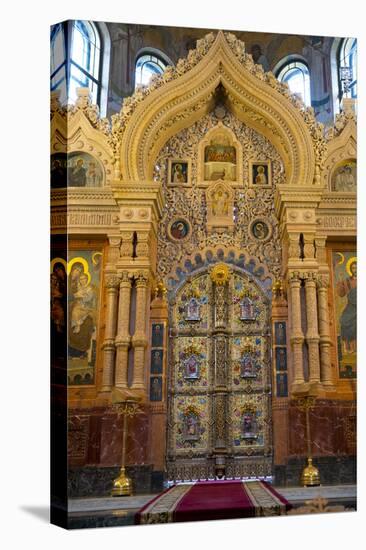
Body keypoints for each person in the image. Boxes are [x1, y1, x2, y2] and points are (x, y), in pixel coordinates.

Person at [337, 260, 357, 354]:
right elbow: (341, 294)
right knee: (344, 321)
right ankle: (348, 347)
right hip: (351, 306)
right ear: (350, 269)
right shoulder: (348, 281)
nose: (355, 269)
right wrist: (341, 281)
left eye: (357, 267)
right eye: (353, 268)